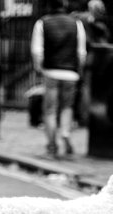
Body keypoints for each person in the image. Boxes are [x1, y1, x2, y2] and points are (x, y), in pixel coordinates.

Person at [31, 0, 86, 159]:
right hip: (71, 73)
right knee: (67, 107)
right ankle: (66, 133)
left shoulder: (42, 23)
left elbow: (37, 52)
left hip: (51, 72)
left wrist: (39, 69)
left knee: (50, 110)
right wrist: (79, 71)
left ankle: (52, 146)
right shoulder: (76, 23)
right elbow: (81, 53)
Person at [72, 0, 109, 126]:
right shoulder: (92, 22)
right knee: (86, 88)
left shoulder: (81, 19)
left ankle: (83, 116)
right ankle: (85, 117)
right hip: (91, 58)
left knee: (84, 88)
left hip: (86, 58)